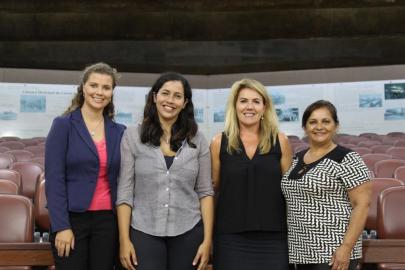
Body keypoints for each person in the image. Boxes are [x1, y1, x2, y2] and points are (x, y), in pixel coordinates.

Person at [116, 72, 214, 270]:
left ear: (185, 103)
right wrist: (124, 240)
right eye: (165, 93)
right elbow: (125, 193)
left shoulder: (198, 139)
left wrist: (207, 241)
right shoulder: (132, 136)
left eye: (177, 96)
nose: (170, 100)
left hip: (188, 230)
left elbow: (205, 192)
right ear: (154, 97)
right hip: (144, 230)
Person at [45, 62, 126, 270]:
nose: (99, 92)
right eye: (94, 85)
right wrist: (62, 226)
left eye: (106, 87)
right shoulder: (63, 125)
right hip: (72, 220)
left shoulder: (120, 131)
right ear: (83, 87)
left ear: (112, 92)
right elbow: (54, 180)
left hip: (108, 222)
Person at [210, 78, 293, 270]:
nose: (250, 107)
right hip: (230, 237)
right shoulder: (218, 142)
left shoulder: (280, 141)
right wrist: (208, 237)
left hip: (274, 238)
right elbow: (213, 191)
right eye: (243, 101)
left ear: (265, 107)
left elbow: (291, 193)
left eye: (256, 101)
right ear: (235, 106)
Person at [281, 100, 372, 270]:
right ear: (305, 127)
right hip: (300, 251)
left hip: (332, 251)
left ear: (336, 126)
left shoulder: (348, 158)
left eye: (326, 121)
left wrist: (346, 247)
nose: (319, 126)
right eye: (313, 122)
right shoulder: (296, 159)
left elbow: (362, 205)